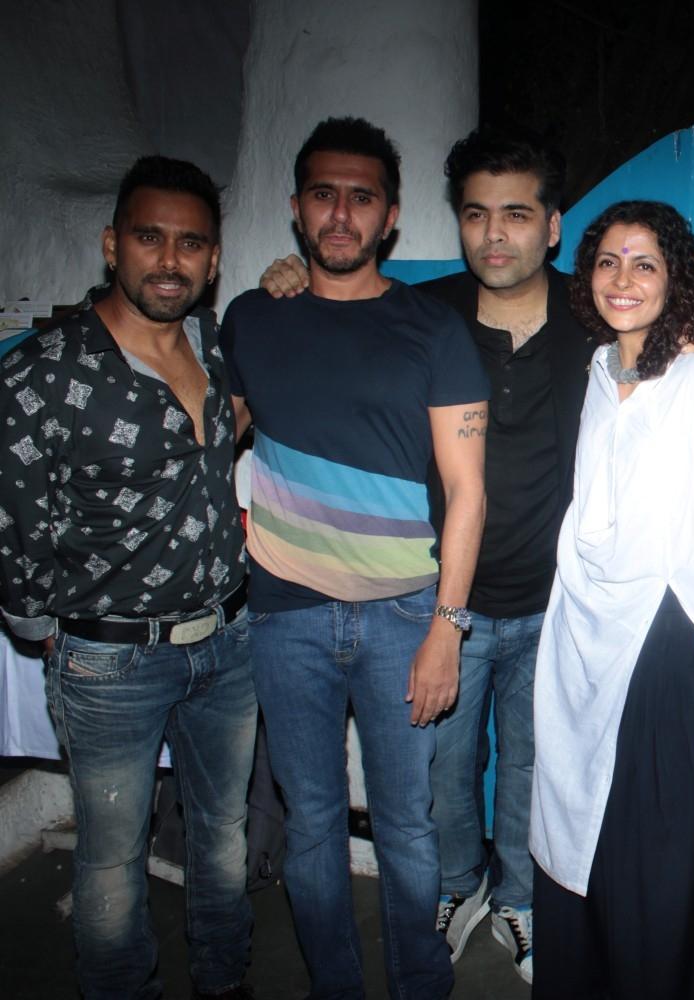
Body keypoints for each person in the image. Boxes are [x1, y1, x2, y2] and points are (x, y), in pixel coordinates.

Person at [259, 127, 593, 980]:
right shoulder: (425, 314)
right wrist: (288, 278)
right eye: (476, 214)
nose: (494, 234)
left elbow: (671, 342)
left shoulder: (594, 319)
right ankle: (455, 885)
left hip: (556, 600)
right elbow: (336, 310)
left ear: (552, 225)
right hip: (444, 600)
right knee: (442, 772)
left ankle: (520, 898)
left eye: (516, 214)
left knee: (534, 768)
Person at [220, 117, 489, 999]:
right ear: (297, 209)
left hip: (405, 616)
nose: (341, 214)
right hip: (284, 615)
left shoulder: (432, 329)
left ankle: (421, 988)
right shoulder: (252, 318)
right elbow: (214, 440)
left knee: (407, 827)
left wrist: (447, 628)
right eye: (324, 195)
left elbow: (468, 490)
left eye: (361, 197)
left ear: (391, 216)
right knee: (310, 827)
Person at [0, 156, 257, 1000]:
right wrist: (49, 635)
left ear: (213, 258)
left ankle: (224, 981)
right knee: (112, 861)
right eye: (151, 238)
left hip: (228, 642)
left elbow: (226, 439)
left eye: (192, 243)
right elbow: (15, 527)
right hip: (111, 663)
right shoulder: (42, 374)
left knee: (224, 834)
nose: (170, 260)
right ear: (113, 244)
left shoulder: (216, 348)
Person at [529, 200, 694, 999]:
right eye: (608, 261)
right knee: (582, 845)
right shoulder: (599, 371)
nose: (623, 279)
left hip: (669, 640)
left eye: (644, 264)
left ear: (675, 281)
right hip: (584, 639)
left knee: (653, 859)